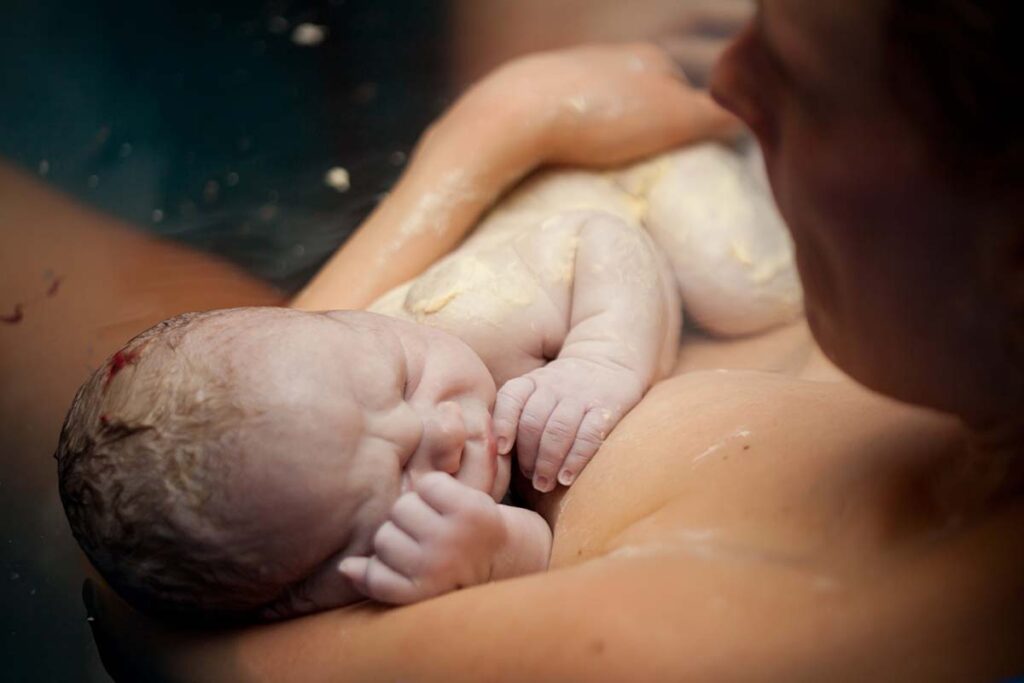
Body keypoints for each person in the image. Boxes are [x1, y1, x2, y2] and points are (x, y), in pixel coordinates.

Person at [86, 1, 1024, 679]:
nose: (730, 82)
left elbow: (160, 594)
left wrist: (499, 130)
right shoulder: (933, 338)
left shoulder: (755, 625)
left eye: (803, 83)